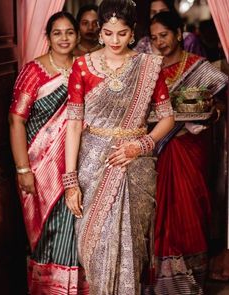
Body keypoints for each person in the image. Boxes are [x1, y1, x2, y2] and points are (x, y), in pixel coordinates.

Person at [64, 0, 174, 294]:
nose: (115, 40)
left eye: (122, 34)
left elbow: (167, 118)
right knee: (94, 246)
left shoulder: (148, 66)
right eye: (109, 33)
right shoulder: (82, 67)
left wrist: (140, 145)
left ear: (133, 33)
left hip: (135, 165)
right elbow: (74, 124)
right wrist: (71, 181)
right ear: (100, 31)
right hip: (93, 166)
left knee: (132, 248)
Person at [9, 12, 88, 295]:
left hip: (75, 165)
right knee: (47, 233)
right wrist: (23, 170)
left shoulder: (84, 67)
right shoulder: (34, 71)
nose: (64, 38)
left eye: (69, 32)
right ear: (48, 37)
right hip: (40, 168)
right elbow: (16, 120)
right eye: (57, 33)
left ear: (77, 36)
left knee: (74, 230)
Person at [149, 11, 228, 295]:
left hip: (190, 149)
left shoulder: (198, 67)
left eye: (165, 35)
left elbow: (219, 105)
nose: (160, 42)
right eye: (154, 37)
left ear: (179, 33)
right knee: (158, 214)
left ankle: (192, 279)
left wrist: (210, 112)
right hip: (157, 150)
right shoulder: (147, 70)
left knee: (192, 208)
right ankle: (162, 283)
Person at [135, 0, 206, 57]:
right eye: (153, 12)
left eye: (163, 35)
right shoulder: (143, 44)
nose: (158, 15)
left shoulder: (189, 40)